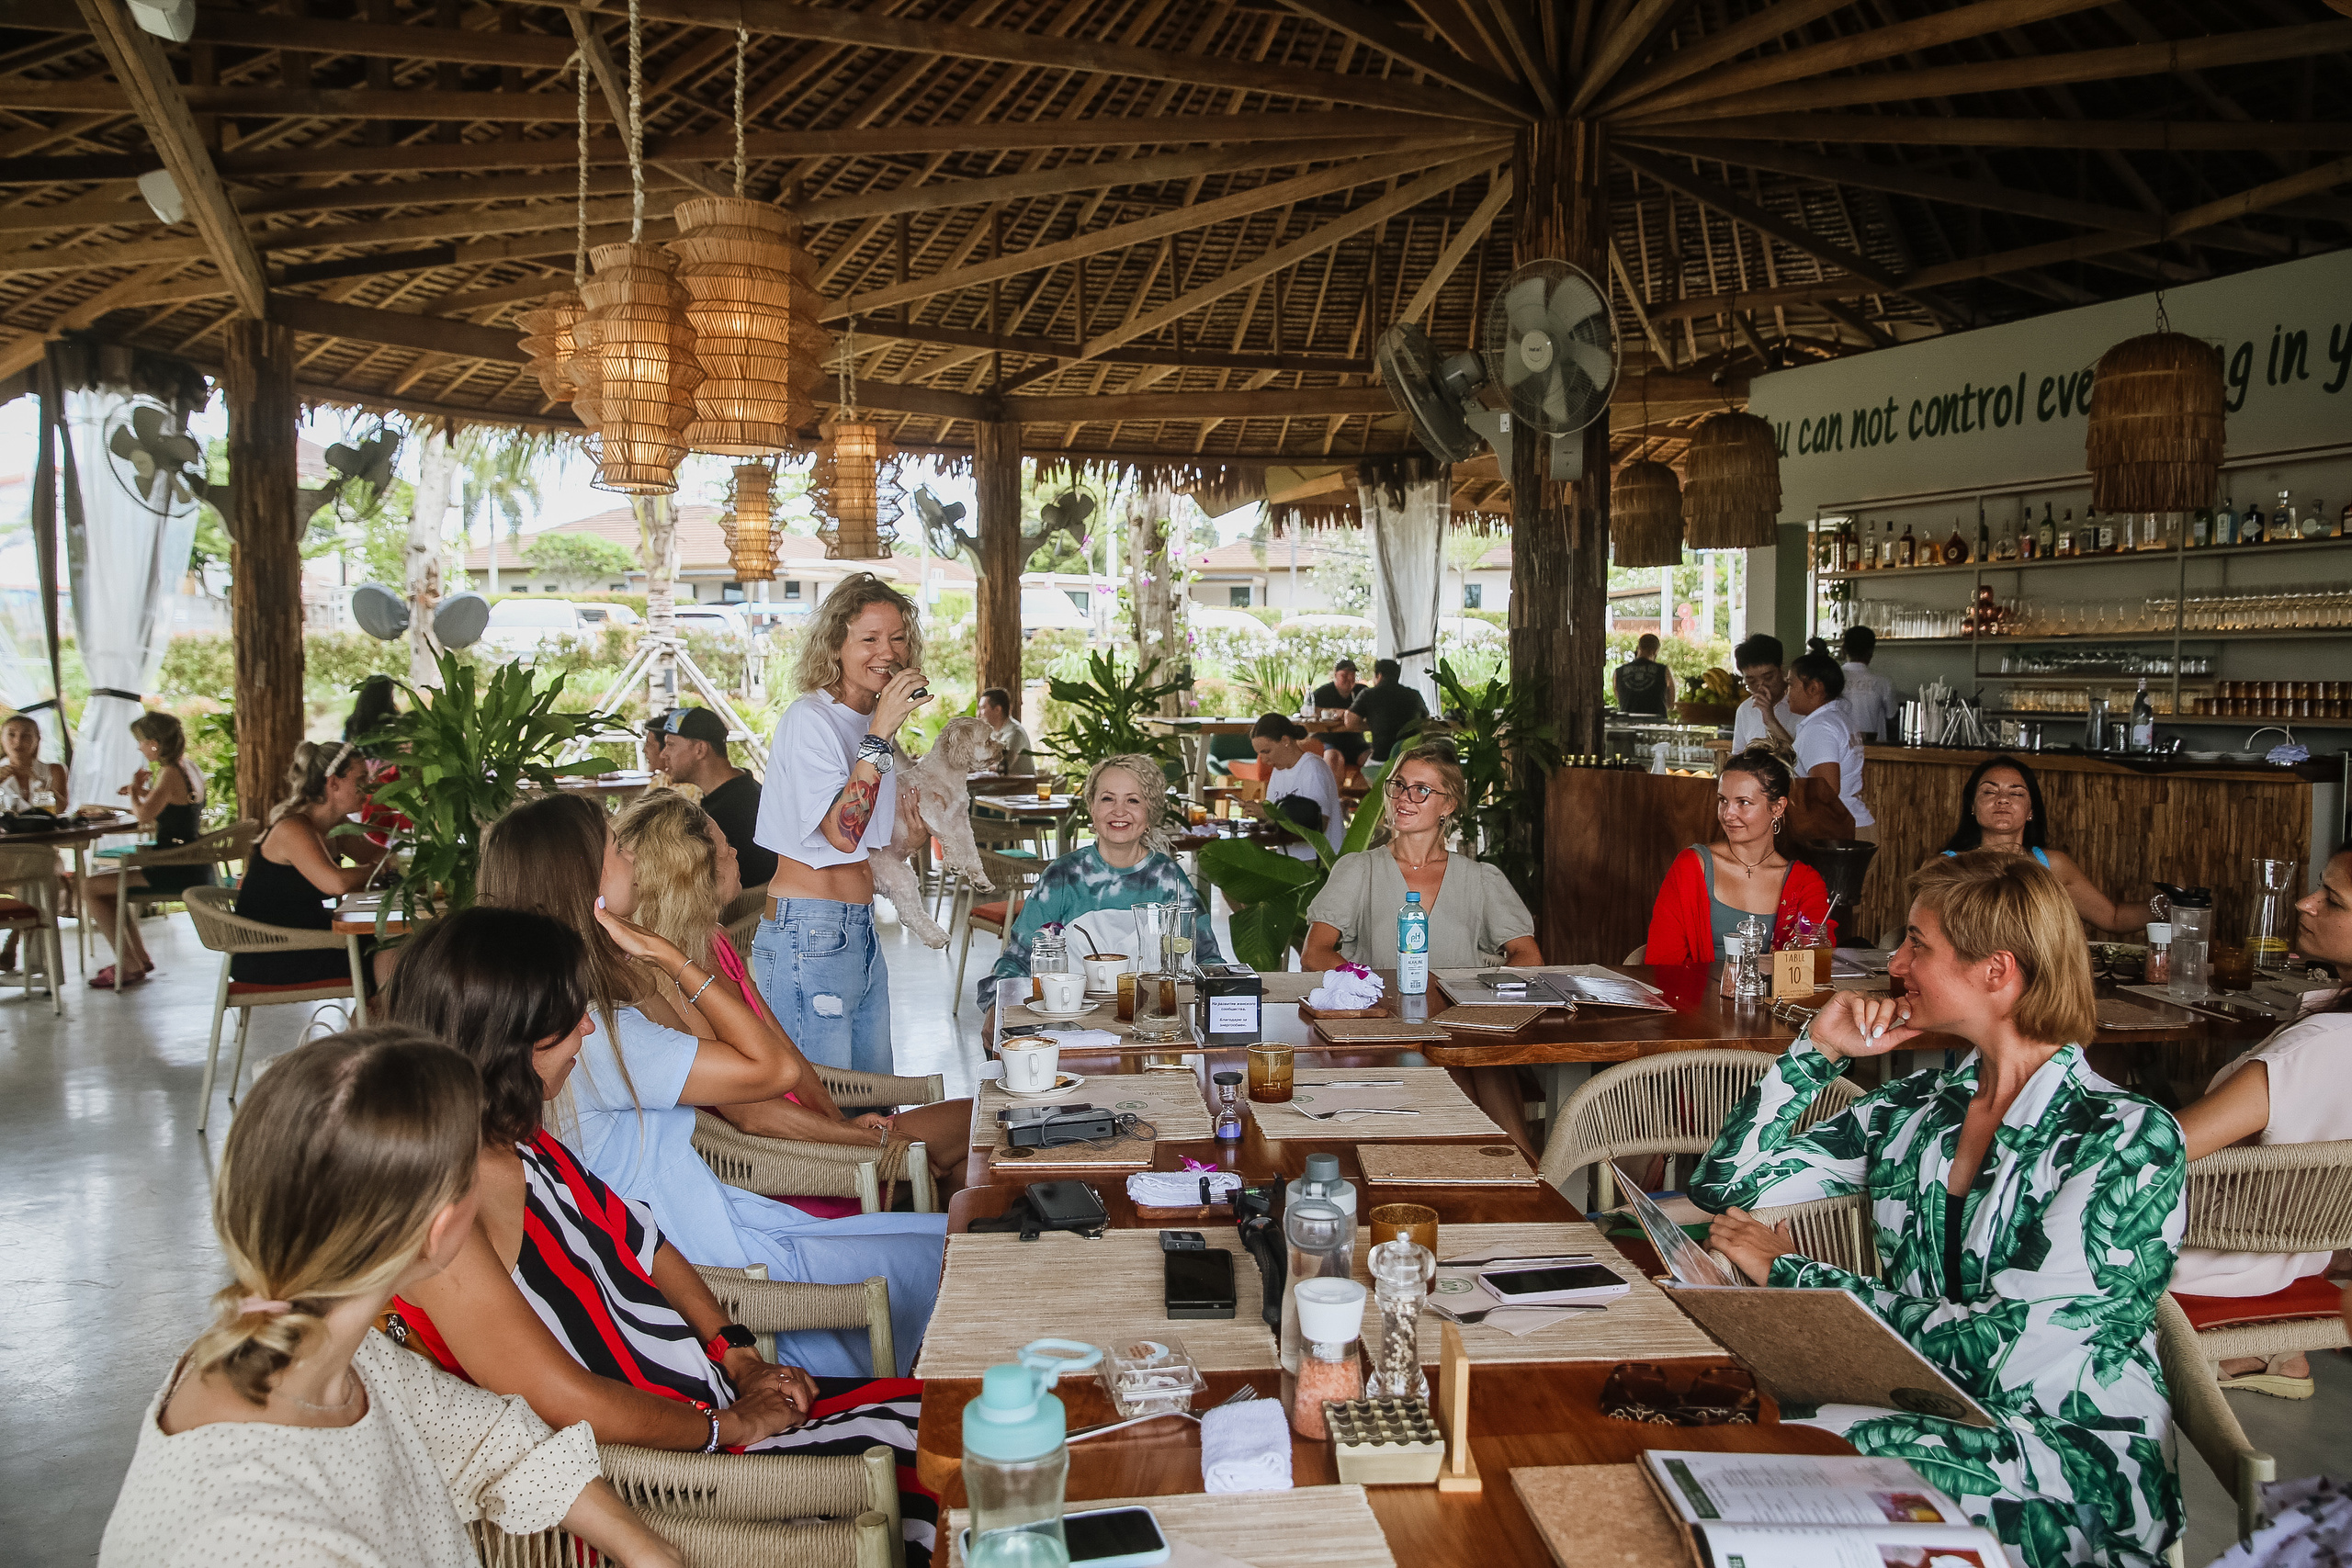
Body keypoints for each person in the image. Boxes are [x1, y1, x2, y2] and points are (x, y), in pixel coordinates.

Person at [379, 909, 936, 1564]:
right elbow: (567, 1399)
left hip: (713, 1408)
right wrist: (728, 1423)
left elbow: (650, 1245)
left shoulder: (522, 1145)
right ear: (509, 1040)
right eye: (569, 1018)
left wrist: (737, 1354)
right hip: (683, 1476)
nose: (588, 1027)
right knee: (966, 1464)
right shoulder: (445, 1220)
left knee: (971, 1420)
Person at [1693, 851, 2186, 1568]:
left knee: (1780, 1460)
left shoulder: (2125, 1139)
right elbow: (1726, 1186)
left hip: (2069, 1464)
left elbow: (2008, 1356)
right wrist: (1818, 1051)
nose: (1895, 963)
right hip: (1922, 1411)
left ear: (1997, 971)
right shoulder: (1917, 1109)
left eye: (1918, 945)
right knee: (1735, 1429)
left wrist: (1796, 1277)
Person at [99, 1030, 675, 1568]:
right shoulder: (268, 1540)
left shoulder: (322, 1350)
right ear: (442, 1230)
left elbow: (495, 1440)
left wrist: (648, 1551)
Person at [477, 795, 946, 1377]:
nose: (633, 857)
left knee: (950, 1241)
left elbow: (776, 1065)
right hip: (714, 1267)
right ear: (585, 880)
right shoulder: (595, 1030)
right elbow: (769, 1071)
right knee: (951, 1257)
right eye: (617, 848)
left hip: (720, 1225)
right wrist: (674, 959)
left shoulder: (579, 1012)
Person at [612, 789, 971, 1198]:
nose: (734, 851)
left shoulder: (714, 942)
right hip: (782, 1166)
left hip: (815, 1138)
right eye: (723, 846)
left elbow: (790, 1056)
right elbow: (753, 1115)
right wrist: (861, 1144)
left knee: (975, 1155)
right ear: (692, 873)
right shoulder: (665, 978)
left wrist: (843, 1127)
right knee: (978, 1132)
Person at [2168, 847, 2352, 1400]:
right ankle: (2263, 1353)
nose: (2305, 902)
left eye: (2333, 900)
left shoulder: (2318, 1049)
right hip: (2302, 1246)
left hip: (2213, 1254)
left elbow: (2164, 1149)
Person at [1301, 742, 1540, 1153]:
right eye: (1398, 785)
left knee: (1476, 1061)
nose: (1404, 798)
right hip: (1384, 1030)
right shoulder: (1360, 870)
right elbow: (1316, 952)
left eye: (1421, 790)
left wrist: (1471, 1000)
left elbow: (1528, 956)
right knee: (1465, 1070)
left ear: (1448, 805)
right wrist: (1381, 992)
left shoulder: (1480, 879)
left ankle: (1517, 1177)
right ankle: (1518, 1175)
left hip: (1462, 1031)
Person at [752, 572, 930, 1076]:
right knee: (828, 1109)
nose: (887, 652)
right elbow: (841, 832)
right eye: (868, 639)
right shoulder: (812, 719)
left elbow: (865, 849)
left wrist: (907, 843)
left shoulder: (873, 727)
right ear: (835, 647)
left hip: (857, 926)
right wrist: (880, 731)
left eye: (897, 638)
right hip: (809, 929)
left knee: (871, 1095)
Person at [985, 753, 1219, 1007]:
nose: (1120, 811)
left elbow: (1207, 961)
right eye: (1108, 799)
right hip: (1069, 1025)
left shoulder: (1168, 880)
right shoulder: (1063, 876)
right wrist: (995, 1008)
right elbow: (1018, 959)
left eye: (1133, 800)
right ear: (1092, 808)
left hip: (1150, 1029)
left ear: (1150, 813)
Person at [230, 740, 398, 993]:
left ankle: (374, 1020)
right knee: (392, 947)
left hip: (307, 937)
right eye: (362, 778)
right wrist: (379, 870)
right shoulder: (293, 828)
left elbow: (379, 854)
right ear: (333, 783)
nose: (370, 786)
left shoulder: (335, 827)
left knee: (396, 940)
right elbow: (336, 883)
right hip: (271, 952)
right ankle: (382, 1019)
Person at [1645, 750, 1836, 964]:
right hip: (1697, 996)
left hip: (1775, 999)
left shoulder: (1805, 883)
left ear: (1778, 807)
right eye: (1723, 801)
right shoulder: (1692, 867)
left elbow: (1816, 963)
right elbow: (1662, 963)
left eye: (1743, 802)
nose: (1727, 815)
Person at [1934, 755, 2139, 933]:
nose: (2003, 800)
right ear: (1972, 806)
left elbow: (2113, 919)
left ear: (2031, 810)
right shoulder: (1945, 867)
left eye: (2016, 793)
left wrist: (2167, 906)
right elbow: (1927, 937)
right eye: (1989, 792)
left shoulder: (2053, 865)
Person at [83, 711, 211, 989]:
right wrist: (142, 791)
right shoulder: (188, 767)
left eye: (141, 742)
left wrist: (133, 792)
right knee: (109, 888)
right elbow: (175, 804)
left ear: (154, 743)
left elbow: (143, 817)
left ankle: (130, 963)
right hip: (191, 863)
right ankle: (137, 959)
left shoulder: (167, 773)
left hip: (174, 869)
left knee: (90, 887)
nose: (139, 747)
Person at [658, 706, 774, 890]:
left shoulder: (733, 812)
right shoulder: (745, 793)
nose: (663, 754)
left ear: (700, 749)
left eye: (670, 744)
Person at [1787, 638, 1875, 841]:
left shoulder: (1819, 727)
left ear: (1814, 688)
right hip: (1853, 825)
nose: (1787, 693)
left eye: (1791, 685)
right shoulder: (1837, 719)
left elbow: (1825, 790)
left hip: (1836, 831)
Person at [1248, 713, 1341, 861]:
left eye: (1266, 751)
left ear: (1285, 740)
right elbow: (1276, 818)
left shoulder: (1312, 768)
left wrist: (1268, 814)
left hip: (1319, 861)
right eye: (1259, 753)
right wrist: (1259, 815)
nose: (1263, 759)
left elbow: (1319, 825)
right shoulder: (1279, 771)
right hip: (1291, 859)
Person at [1343, 658, 1430, 764]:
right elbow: (1427, 722)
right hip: (1412, 759)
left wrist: (1373, 724)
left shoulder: (1369, 694)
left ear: (1378, 675)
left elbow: (1350, 722)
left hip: (1382, 759)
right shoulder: (1415, 695)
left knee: (1358, 780)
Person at [1729, 634, 1795, 755]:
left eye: (1768, 677)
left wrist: (1770, 720)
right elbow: (1737, 756)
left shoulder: (1800, 706)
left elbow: (1801, 761)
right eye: (1751, 680)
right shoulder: (1745, 710)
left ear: (1781, 669)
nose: (1761, 686)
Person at [0, 710, 67, 813]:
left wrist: (38, 782)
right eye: (11, 734)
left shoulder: (55, 770)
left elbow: (60, 810)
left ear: (37, 739)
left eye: (26, 736)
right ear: (2, 739)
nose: (18, 741)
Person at [1839, 626, 1894, 741]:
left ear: (1843, 649)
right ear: (1871, 652)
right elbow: (1891, 715)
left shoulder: (1832, 678)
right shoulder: (1882, 681)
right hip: (1874, 750)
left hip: (1838, 748)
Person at [1611, 633, 1677, 717]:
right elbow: (1671, 704)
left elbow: (1617, 695)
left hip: (1628, 724)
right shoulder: (1663, 670)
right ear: (1655, 651)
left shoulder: (1619, 671)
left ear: (1638, 648)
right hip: (1657, 725)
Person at [978, 686, 1035, 775]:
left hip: (1018, 787)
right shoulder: (991, 733)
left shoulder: (1015, 733)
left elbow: (1003, 766)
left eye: (983, 708)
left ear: (997, 710)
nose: (978, 713)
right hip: (999, 784)